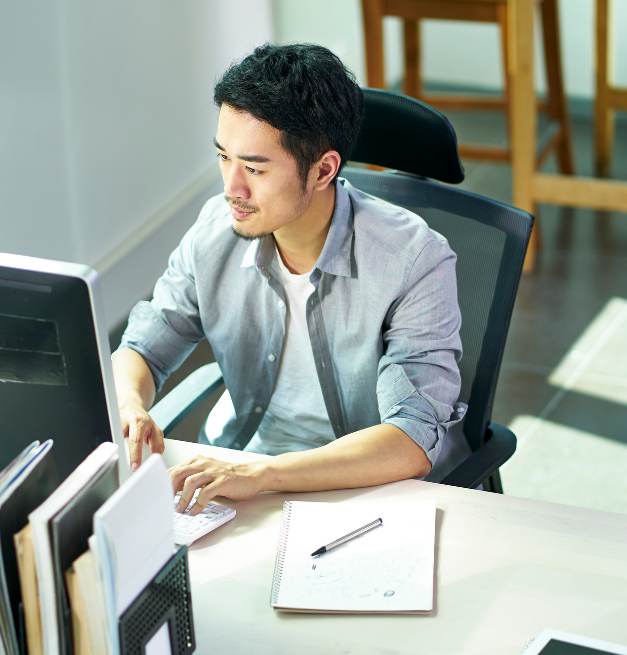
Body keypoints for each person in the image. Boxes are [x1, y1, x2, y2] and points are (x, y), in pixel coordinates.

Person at [112, 43, 467, 515]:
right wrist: (129, 404)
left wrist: (264, 475)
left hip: (361, 490)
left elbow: (411, 440)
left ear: (323, 170)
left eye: (255, 168)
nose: (231, 188)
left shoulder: (413, 260)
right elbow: (144, 345)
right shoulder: (215, 231)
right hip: (238, 472)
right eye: (224, 158)